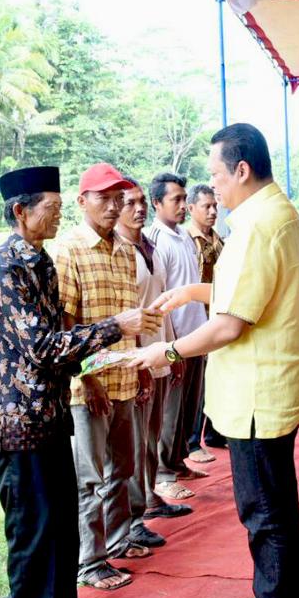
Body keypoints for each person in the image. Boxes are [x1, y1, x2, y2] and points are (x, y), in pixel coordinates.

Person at [131, 123, 299, 598]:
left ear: (241, 169)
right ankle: (293, 596)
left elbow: (231, 324)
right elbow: (253, 290)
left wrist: (166, 351)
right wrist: (194, 291)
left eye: (215, 174)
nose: (212, 186)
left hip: (257, 392)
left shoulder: (259, 224)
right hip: (268, 386)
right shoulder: (272, 214)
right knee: (277, 503)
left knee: (264, 510)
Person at [0, 166, 161, 598]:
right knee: (30, 526)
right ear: (20, 212)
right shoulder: (4, 270)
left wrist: (107, 359)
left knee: (58, 517)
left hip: (47, 411)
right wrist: (115, 328)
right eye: (50, 209)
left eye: (57, 208)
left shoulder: (40, 262)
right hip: (13, 419)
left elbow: (60, 337)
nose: (56, 217)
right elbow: (43, 346)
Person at [55, 163, 158, 591]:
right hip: (89, 387)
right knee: (89, 478)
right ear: (82, 202)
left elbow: (132, 316)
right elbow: (65, 323)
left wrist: (142, 362)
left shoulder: (124, 250)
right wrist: (87, 378)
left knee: (123, 468)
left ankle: (118, 541)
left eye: (119, 198)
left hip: (125, 376)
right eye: (105, 198)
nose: (114, 207)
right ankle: (90, 562)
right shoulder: (69, 251)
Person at [115, 177, 192, 551]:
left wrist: (173, 348)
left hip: (161, 350)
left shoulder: (149, 246)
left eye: (141, 201)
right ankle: (134, 517)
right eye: (129, 202)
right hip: (139, 358)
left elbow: (164, 302)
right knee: (136, 440)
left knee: (152, 434)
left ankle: (148, 498)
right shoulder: (119, 252)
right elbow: (122, 312)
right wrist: (141, 362)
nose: (138, 208)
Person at [144, 173, 210, 495]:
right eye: (176, 200)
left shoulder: (183, 235)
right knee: (170, 411)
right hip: (176, 339)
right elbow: (160, 295)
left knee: (188, 407)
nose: (183, 205)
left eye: (185, 199)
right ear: (157, 203)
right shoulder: (154, 239)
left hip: (197, 334)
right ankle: (163, 475)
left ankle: (178, 461)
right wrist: (172, 345)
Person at [185, 183, 227, 452]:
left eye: (214, 206)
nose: (213, 211)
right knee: (197, 384)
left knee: (218, 377)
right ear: (191, 208)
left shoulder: (218, 239)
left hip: (218, 316)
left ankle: (214, 432)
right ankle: (191, 441)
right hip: (196, 318)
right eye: (206, 207)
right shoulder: (187, 241)